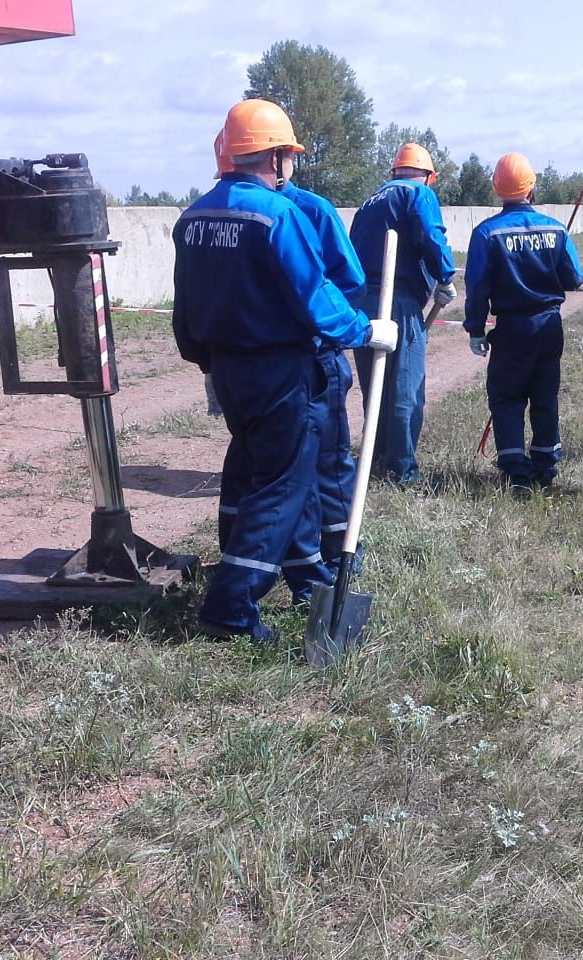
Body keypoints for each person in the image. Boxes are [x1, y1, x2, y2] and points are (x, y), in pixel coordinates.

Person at [172, 99, 396, 642]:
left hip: (229, 369)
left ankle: (300, 577)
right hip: (281, 372)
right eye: (287, 155)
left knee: (253, 469)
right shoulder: (280, 214)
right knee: (283, 488)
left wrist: (207, 362)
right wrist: (365, 331)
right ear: (274, 157)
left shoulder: (194, 216)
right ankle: (231, 606)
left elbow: (187, 304)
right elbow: (313, 294)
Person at [208, 128, 367, 590]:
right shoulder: (291, 212)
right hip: (299, 360)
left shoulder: (206, 213)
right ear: (276, 157)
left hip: (238, 363)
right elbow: (337, 286)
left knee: (260, 461)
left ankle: (309, 565)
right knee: (311, 468)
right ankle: (321, 565)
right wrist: (356, 328)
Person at [463, 152, 583, 493]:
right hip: (548, 326)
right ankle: (545, 467)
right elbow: (574, 278)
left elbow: (477, 286)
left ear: (497, 188)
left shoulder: (486, 233)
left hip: (512, 329)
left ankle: (516, 471)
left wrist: (475, 329)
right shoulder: (556, 229)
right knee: (545, 395)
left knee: (507, 398)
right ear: (532, 188)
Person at [349, 142, 457, 487]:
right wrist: (445, 275)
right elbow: (429, 235)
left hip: (364, 303)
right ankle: (403, 471)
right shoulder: (418, 194)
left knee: (375, 386)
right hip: (399, 301)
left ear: (394, 171)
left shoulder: (369, 203)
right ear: (428, 175)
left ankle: (377, 457)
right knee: (404, 388)